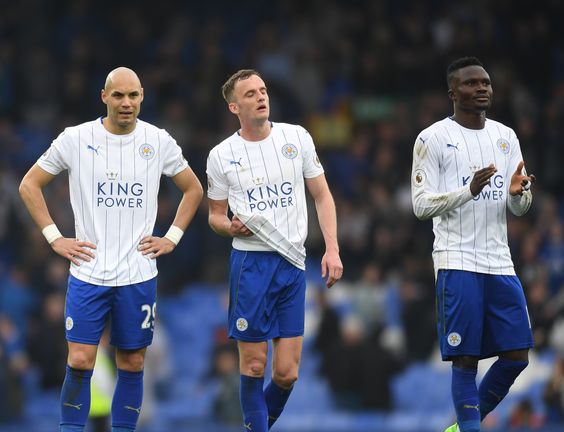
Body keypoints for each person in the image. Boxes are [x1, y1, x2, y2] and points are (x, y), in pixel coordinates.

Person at [18, 66, 203, 432]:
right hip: (89, 271)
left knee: (132, 363)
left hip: (138, 273)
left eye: (133, 95)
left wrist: (172, 237)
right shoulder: (76, 138)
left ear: (142, 97)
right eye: (118, 95)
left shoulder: (158, 141)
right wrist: (55, 237)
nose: (126, 103)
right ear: (104, 97)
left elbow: (194, 189)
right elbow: (29, 184)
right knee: (82, 361)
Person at [206, 69, 343, 432]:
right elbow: (215, 216)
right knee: (253, 366)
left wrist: (332, 249)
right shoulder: (221, 156)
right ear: (235, 106)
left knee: (287, 373)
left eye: (263, 90)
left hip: (292, 263)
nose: (261, 97)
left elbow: (322, 195)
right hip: (251, 264)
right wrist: (228, 226)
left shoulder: (296, 137)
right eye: (250, 94)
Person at [411, 57, 536, 432]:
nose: (482, 88)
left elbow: (520, 205)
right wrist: (469, 190)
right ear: (452, 92)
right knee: (466, 359)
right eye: (471, 83)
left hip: (500, 261)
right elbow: (420, 205)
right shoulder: (432, 138)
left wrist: (519, 194)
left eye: (486, 82)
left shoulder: (506, 137)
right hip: (457, 259)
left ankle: (463, 425)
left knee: (517, 356)